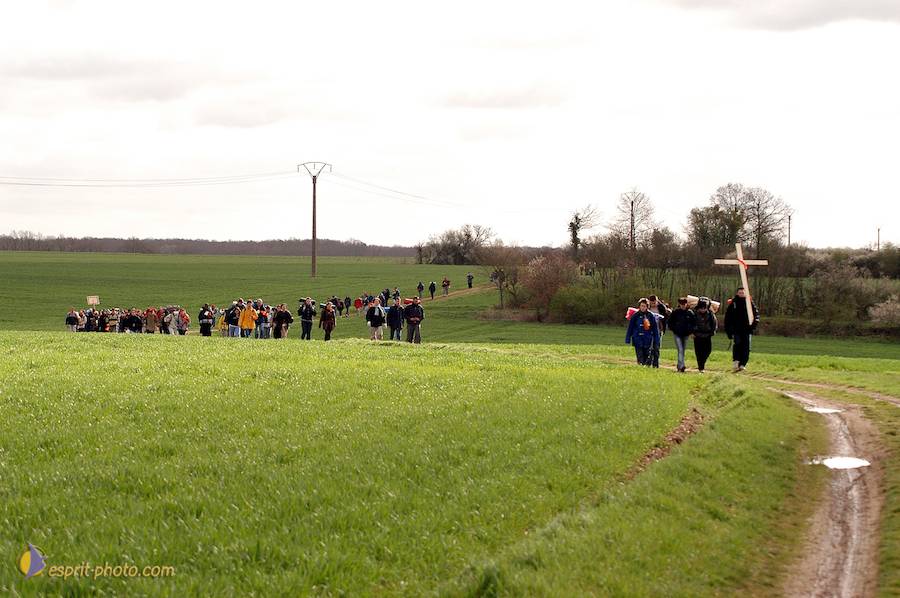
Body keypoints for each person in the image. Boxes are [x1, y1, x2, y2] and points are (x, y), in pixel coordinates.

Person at [724, 287, 760, 372]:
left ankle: (743, 364)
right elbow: (728, 318)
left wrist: (753, 325)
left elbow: (756, 316)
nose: (741, 294)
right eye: (740, 293)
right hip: (736, 330)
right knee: (737, 345)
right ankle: (736, 361)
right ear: (737, 293)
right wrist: (729, 331)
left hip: (747, 330)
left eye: (743, 293)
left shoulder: (750, 304)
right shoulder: (733, 304)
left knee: (746, 347)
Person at [625, 298, 660, 367]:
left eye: (644, 306)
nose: (643, 308)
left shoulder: (650, 316)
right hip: (637, 339)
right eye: (642, 306)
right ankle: (641, 366)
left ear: (647, 307)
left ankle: (646, 366)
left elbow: (655, 329)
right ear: (639, 306)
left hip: (647, 339)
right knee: (640, 356)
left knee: (647, 356)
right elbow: (630, 327)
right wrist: (628, 338)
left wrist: (656, 339)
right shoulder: (635, 316)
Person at [668, 297, 696, 373]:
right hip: (677, 334)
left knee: (682, 350)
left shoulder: (690, 313)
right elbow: (670, 322)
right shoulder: (675, 312)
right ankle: (682, 366)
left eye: (684, 304)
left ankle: (679, 365)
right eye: (681, 304)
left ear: (686, 304)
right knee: (680, 349)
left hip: (686, 335)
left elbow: (694, 323)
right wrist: (674, 329)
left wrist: (692, 332)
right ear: (679, 304)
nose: (683, 306)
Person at [693, 297, 717, 373]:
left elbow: (714, 323)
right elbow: (691, 323)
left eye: (704, 308)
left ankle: (702, 363)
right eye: (701, 308)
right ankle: (701, 367)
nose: (703, 310)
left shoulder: (710, 314)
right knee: (698, 352)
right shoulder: (694, 314)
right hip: (697, 335)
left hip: (707, 335)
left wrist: (713, 332)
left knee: (708, 350)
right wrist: (692, 332)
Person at [647, 295, 671, 368]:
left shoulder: (661, 308)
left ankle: (655, 364)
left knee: (656, 347)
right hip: (648, 331)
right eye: (652, 303)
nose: (653, 304)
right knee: (649, 348)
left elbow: (666, 316)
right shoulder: (647, 308)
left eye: (655, 302)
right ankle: (648, 363)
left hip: (658, 330)